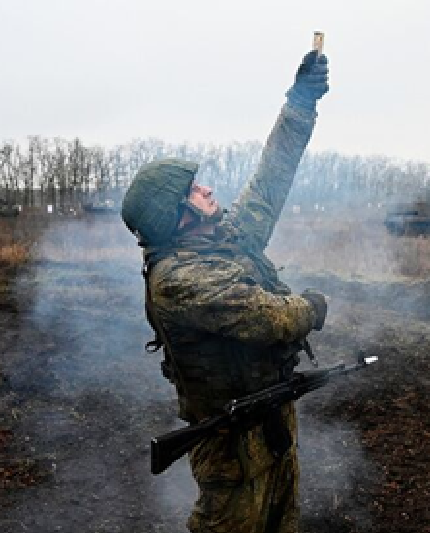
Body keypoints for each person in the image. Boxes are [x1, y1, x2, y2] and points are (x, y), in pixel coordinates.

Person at [121, 49, 330, 533]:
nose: (208, 191)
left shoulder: (224, 241)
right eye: (193, 192)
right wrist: (312, 308)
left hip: (271, 425)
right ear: (175, 217)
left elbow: (271, 180)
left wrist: (300, 101)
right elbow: (272, 317)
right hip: (232, 445)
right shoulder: (178, 280)